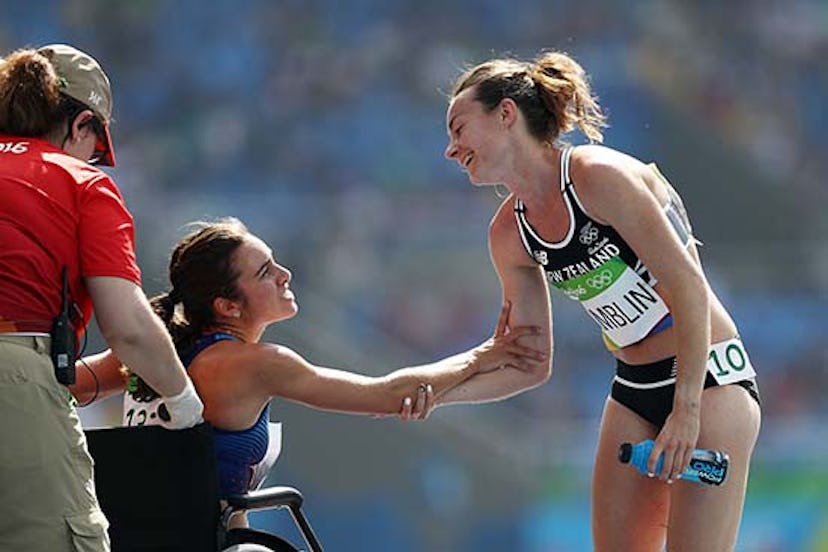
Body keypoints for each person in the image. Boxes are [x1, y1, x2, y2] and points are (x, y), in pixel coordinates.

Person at [435, 51, 761, 551]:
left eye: (459, 129)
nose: (450, 150)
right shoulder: (508, 235)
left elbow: (688, 287)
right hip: (634, 385)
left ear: (506, 114)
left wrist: (687, 410)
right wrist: (437, 395)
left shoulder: (596, 176)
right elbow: (529, 364)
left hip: (709, 379)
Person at [76, 217, 546, 528]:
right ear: (226, 305)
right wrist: (485, 354)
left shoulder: (155, 350)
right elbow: (387, 395)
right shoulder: (258, 365)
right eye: (264, 272)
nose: (285, 274)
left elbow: (72, 385)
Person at [0, 44, 204, 551]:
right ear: (81, 124)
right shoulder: (80, 183)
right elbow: (128, 327)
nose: (95, 159)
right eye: (96, 145)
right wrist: (182, 400)